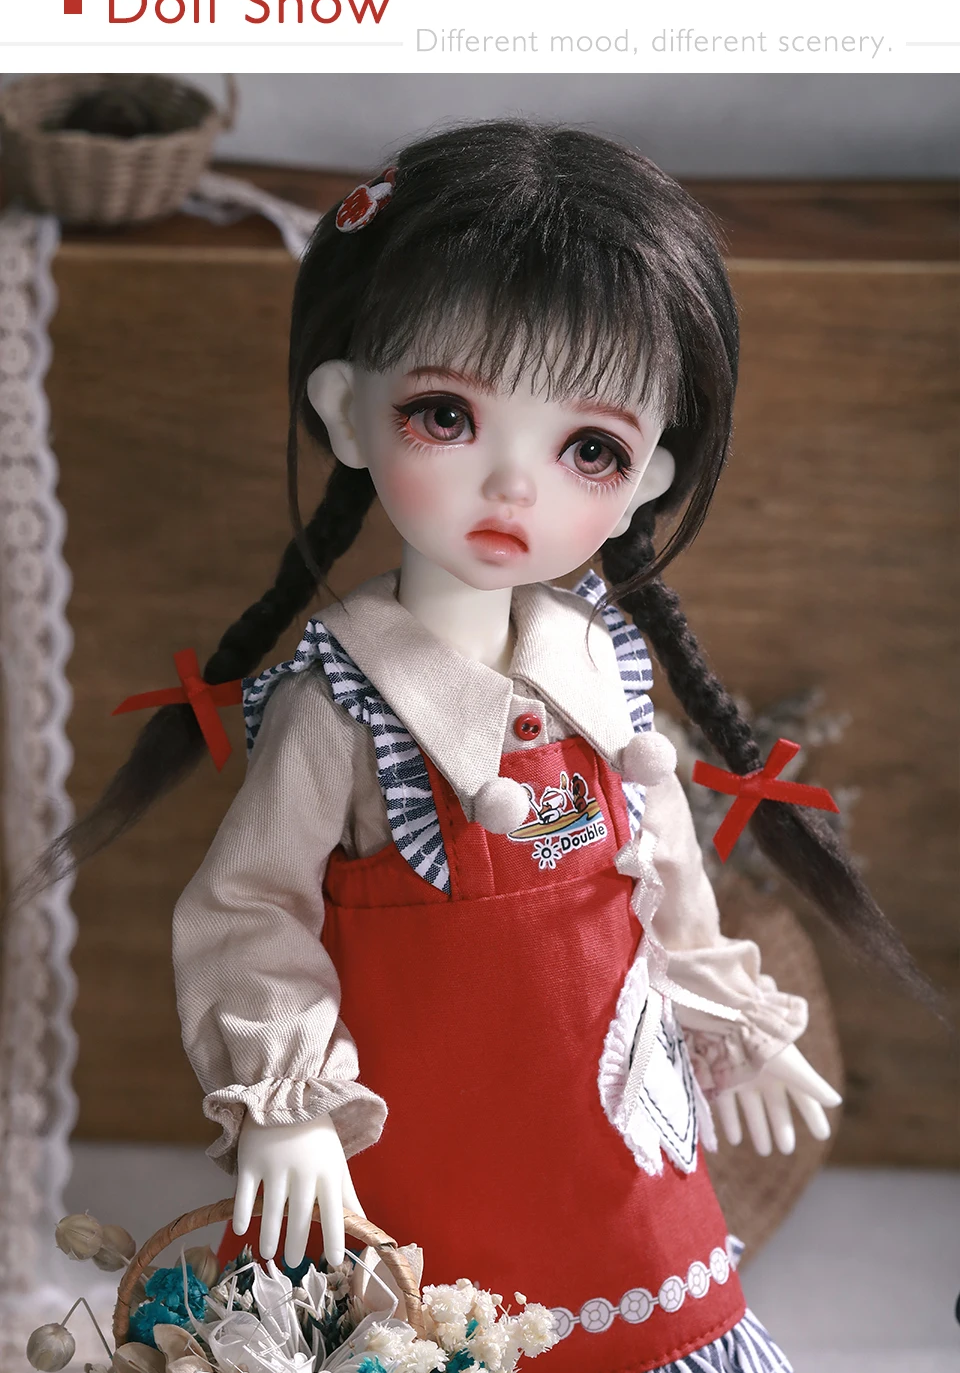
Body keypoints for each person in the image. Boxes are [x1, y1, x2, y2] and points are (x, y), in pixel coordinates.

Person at [70, 122, 926, 1373]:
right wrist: (289, 1105)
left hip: (603, 1141)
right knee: (419, 1336)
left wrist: (731, 1018)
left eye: (590, 448)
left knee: (655, 1318)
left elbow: (662, 877)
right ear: (347, 413)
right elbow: (249, 908)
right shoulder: (341, 699)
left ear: (647, 477)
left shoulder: (605, 668)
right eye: (446, 414)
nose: (515, 487)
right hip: (417, 1147)